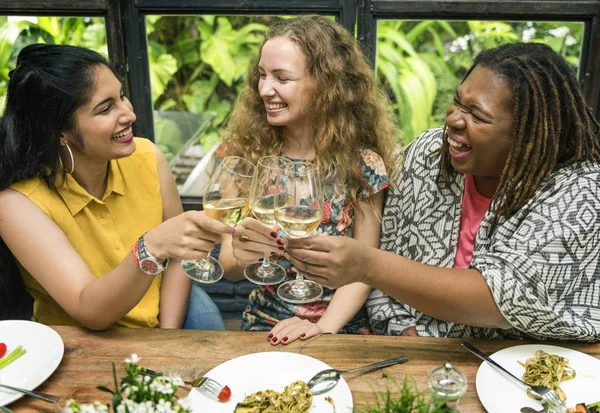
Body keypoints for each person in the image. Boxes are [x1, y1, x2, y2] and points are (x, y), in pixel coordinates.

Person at [283, 42, 600, 342]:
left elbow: (499, 299)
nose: (453, 119)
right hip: (422, 356)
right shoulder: (429, 153)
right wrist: (399, 327)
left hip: (536, 365)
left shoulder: (579, 193)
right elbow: (391, 246)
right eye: (458, 101)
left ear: (527, 136)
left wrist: (368, 265)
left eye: (476, 115)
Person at [0, 43, 228, 330]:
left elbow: (179, 258)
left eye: (122, 96)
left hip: (158, 306)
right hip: (82, 333)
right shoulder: (18, 203)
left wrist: (168, 336)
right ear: (60, 133)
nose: (129, 114)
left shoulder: (147, 156)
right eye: (106, 108)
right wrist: (151, 246)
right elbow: (90, 310)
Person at [202, 15, 397, 344]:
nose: (265, 89)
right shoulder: (243, 154)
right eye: (262, 75)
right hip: (264, 321)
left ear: (324, 83)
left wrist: (323, 327)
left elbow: (363, 270)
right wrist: (244, 250)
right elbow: (230, 267)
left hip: (339, 326)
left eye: (282, 77)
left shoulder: (361, 164)